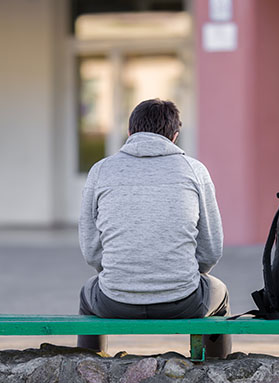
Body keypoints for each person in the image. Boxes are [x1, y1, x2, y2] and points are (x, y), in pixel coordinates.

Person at [77, 98, 231, 358]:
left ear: (130, 133)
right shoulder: (194, 171)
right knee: (221, 293)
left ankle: (91, 370)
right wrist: (184, 275)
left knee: (87, 294)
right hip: (184, 300)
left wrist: (122, 274)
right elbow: (211, 250)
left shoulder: (101, 171)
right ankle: (216, 371)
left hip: (114, 300)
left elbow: (91, 250)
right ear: (174, 136)